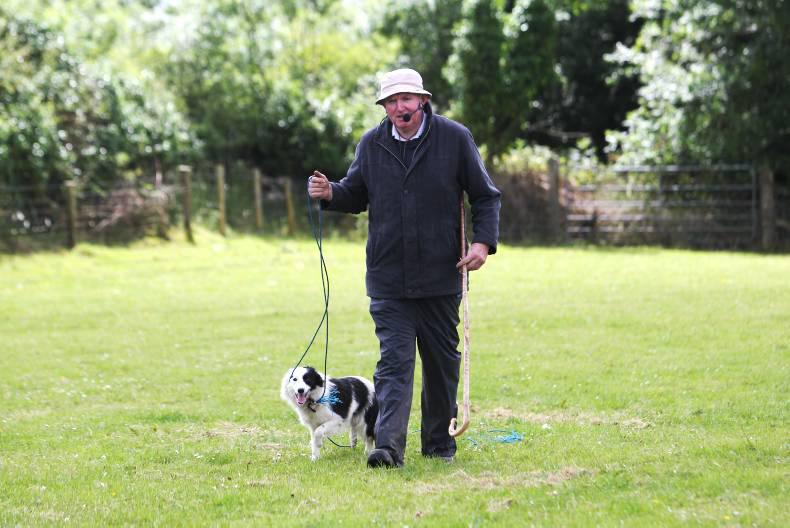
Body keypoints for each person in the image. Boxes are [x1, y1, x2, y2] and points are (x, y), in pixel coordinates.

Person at [308, 68, 501, 468]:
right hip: (388, 279)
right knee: (394, 365)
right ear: (385, 107)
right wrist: (331, 193)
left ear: (422, 101)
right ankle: (388, 449)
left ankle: (439, 444)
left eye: (406, 100)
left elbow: (485, 196)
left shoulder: (454, 138)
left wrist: (482, 243)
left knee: (441, 365)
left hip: (441, 276)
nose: (400, 107)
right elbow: (355, 192)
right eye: (392, 101)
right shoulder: (372, 143)